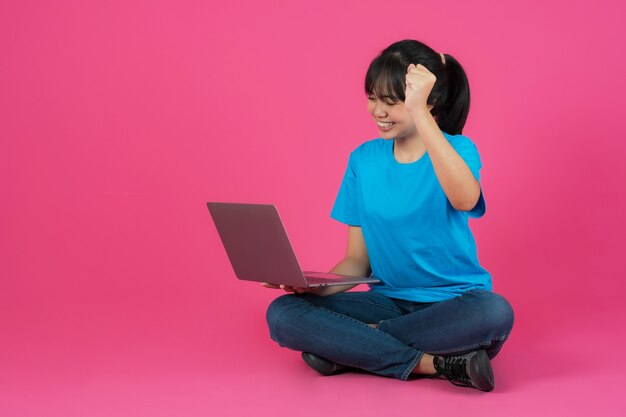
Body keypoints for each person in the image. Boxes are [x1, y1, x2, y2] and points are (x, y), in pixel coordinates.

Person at [262, 39, 514, 392]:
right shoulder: (362, 160)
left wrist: (422, 112)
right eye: (372, 98)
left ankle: (353, 347)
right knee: (284, 313)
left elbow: (464, 198)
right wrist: (315, 287)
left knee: (495, 313)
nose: (377, 111)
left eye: (392, 102)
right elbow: (357, 261)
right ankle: (436, 364)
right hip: (386, 303)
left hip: (454, 306)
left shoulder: (457, 149)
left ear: (427, 101)